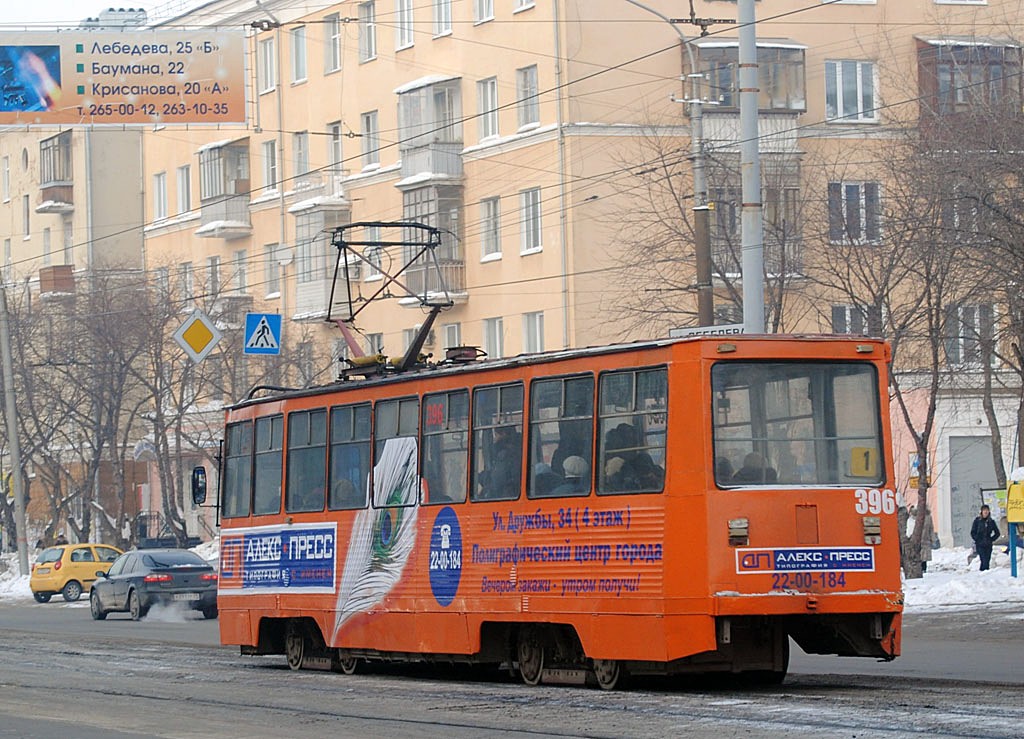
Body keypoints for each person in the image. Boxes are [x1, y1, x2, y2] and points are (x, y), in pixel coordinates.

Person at [970, 504, 1000, 571]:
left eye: (987, 510)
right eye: (984, 510)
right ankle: (983, 572)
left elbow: (997, 533)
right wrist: (977, 539)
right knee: (983, 560)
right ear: (981, 512)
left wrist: (991, 539)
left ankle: (983, 573)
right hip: (980, 544)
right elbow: (972, 532)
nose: (986, 512)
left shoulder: (991, 521)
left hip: (988, 544)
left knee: (987, 561)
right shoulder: (977, 521)